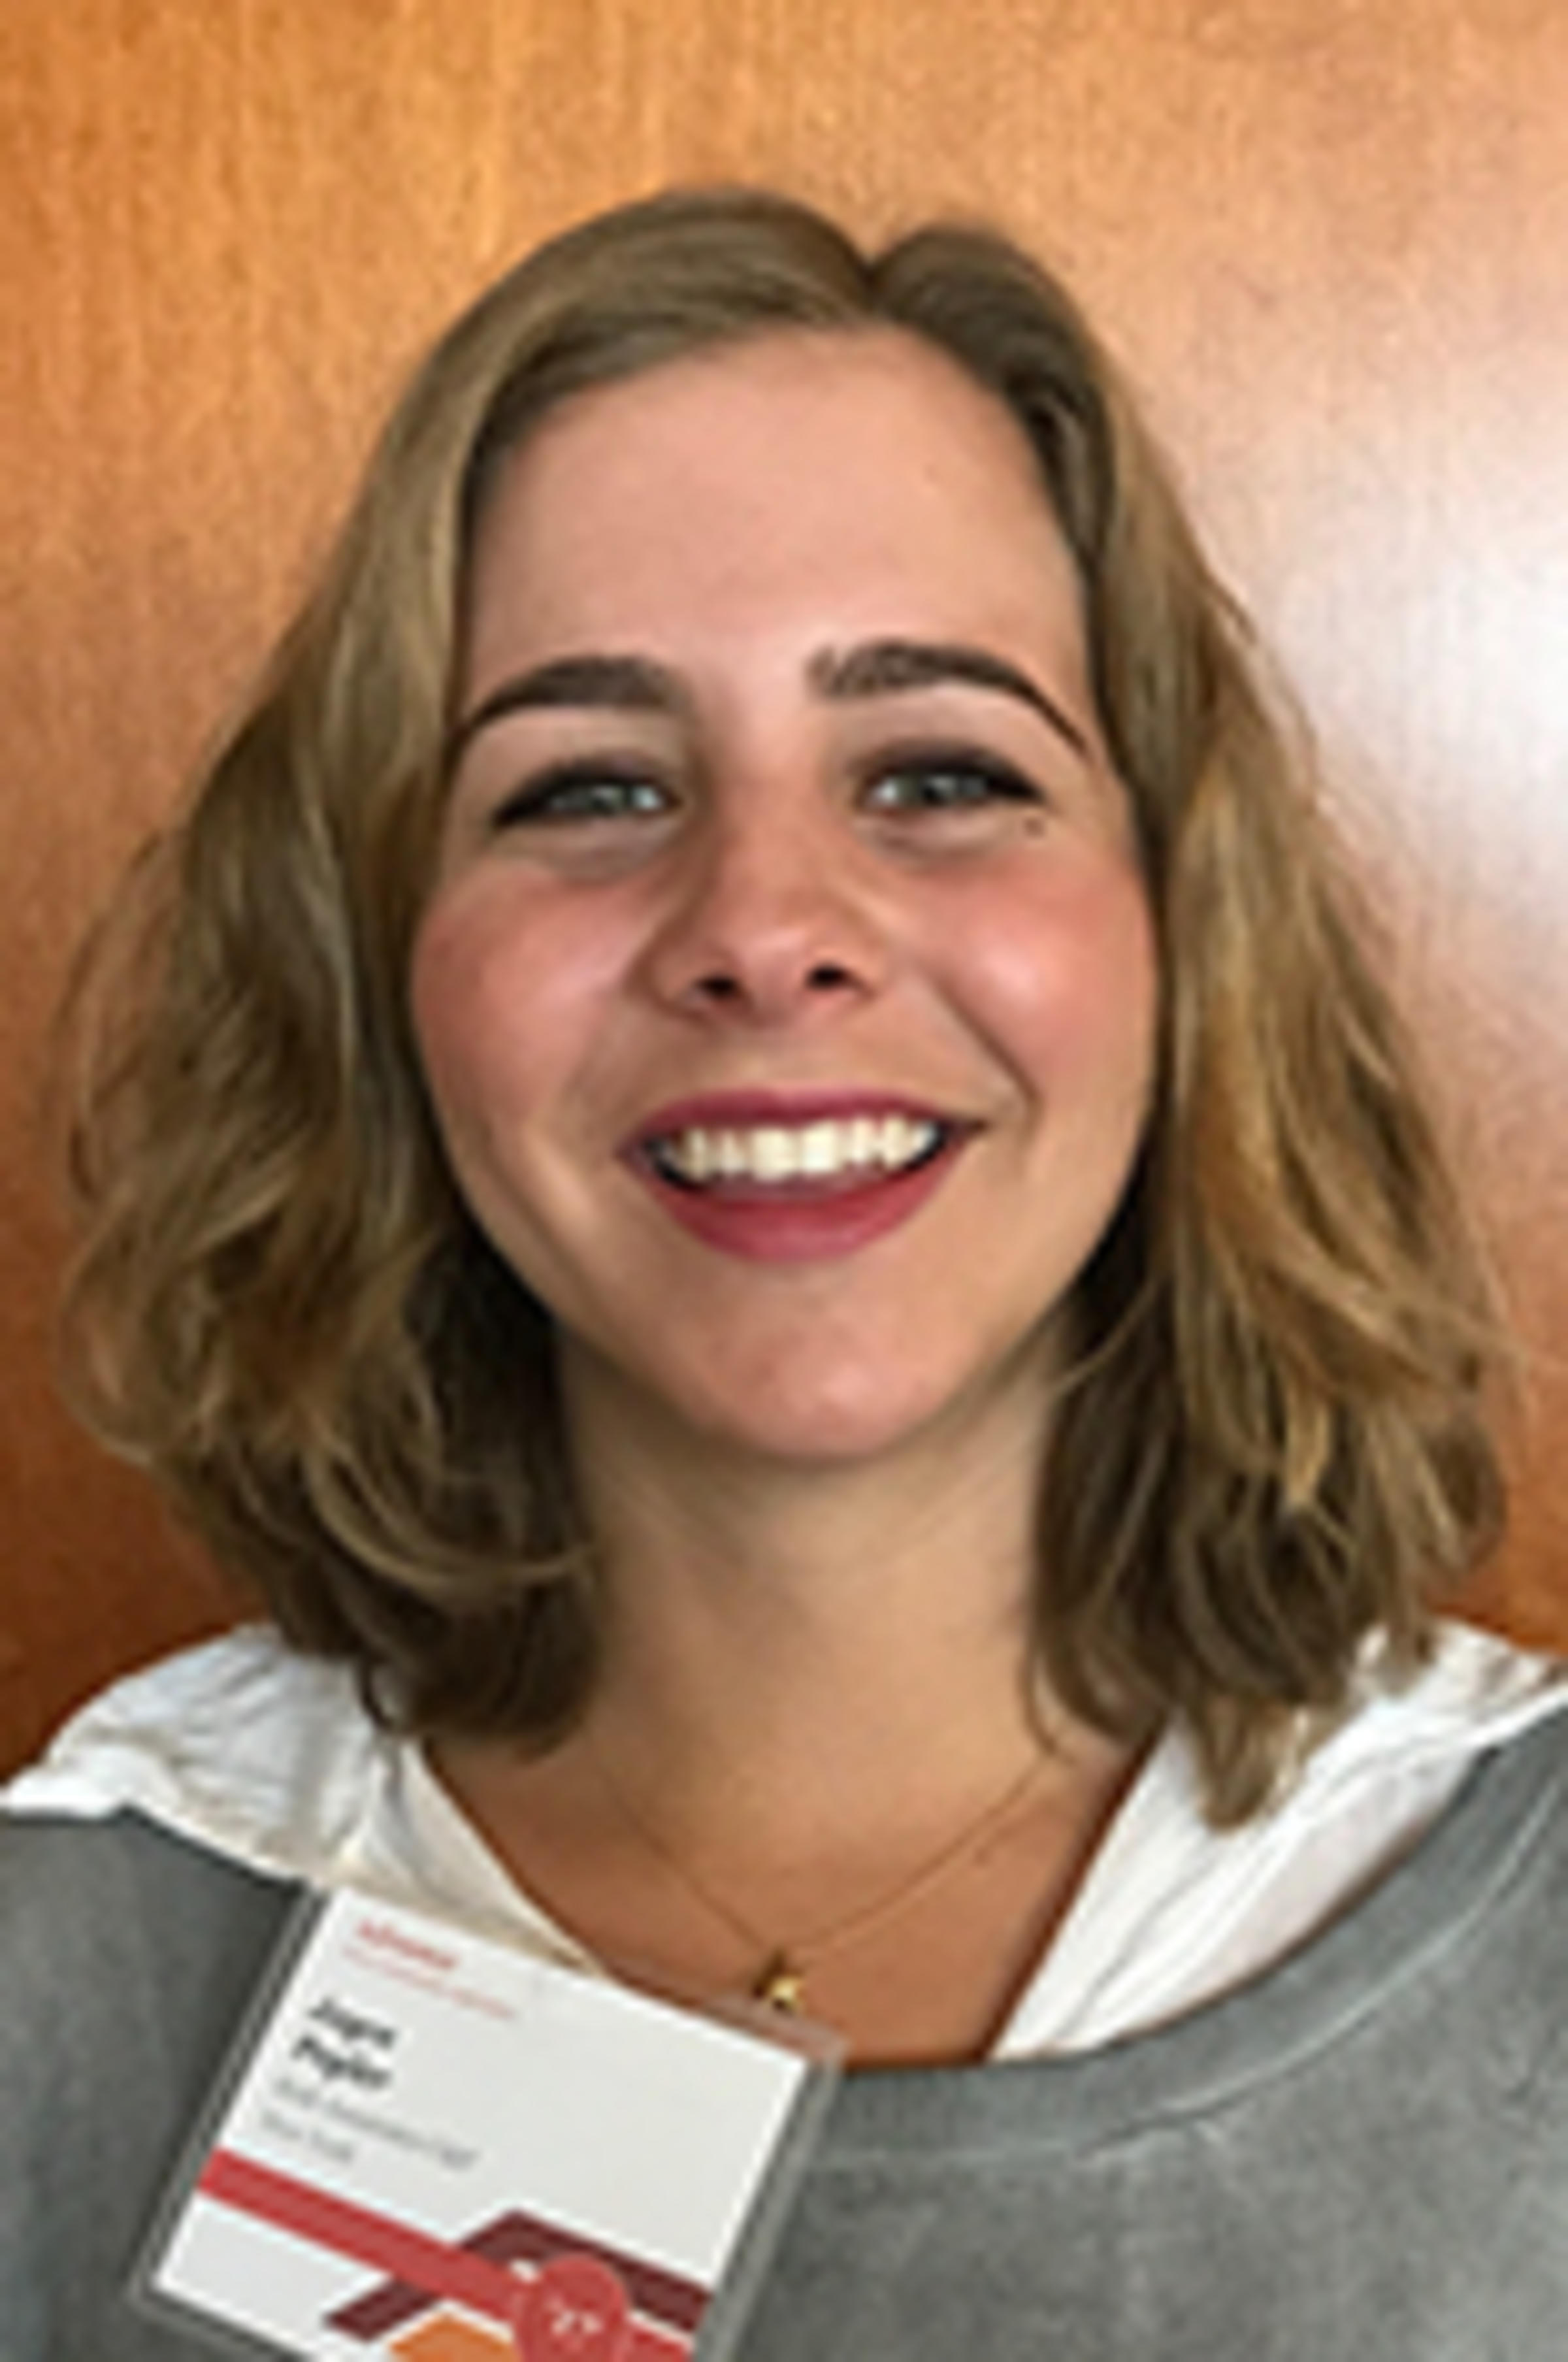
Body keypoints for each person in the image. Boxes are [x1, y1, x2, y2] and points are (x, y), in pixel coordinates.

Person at [2, 186, 1564, 2359]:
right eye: (589, 788)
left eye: (938, 771)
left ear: (1183, 926)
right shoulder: (70, 1959)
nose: (762, 924)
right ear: (383, 973)